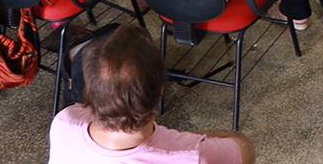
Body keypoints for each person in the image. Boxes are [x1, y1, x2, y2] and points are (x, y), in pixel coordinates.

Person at [49, 23, 256, 164]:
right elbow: (243, 148)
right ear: (160, 90)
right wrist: (191, 141)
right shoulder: (191, 156)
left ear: (89, 89)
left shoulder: (63, 122)